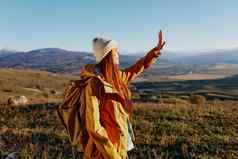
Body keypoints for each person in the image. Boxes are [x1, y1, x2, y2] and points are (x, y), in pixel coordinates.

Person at [79, 31, 165, 159]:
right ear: (107, 56)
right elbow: (94, 128)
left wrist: (154, 52)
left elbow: (136, 68)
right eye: (115, 52)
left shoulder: (116, 77)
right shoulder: (94, 85)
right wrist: (113, 155)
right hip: (106, 151)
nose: (118, 54)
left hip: (120, 142)